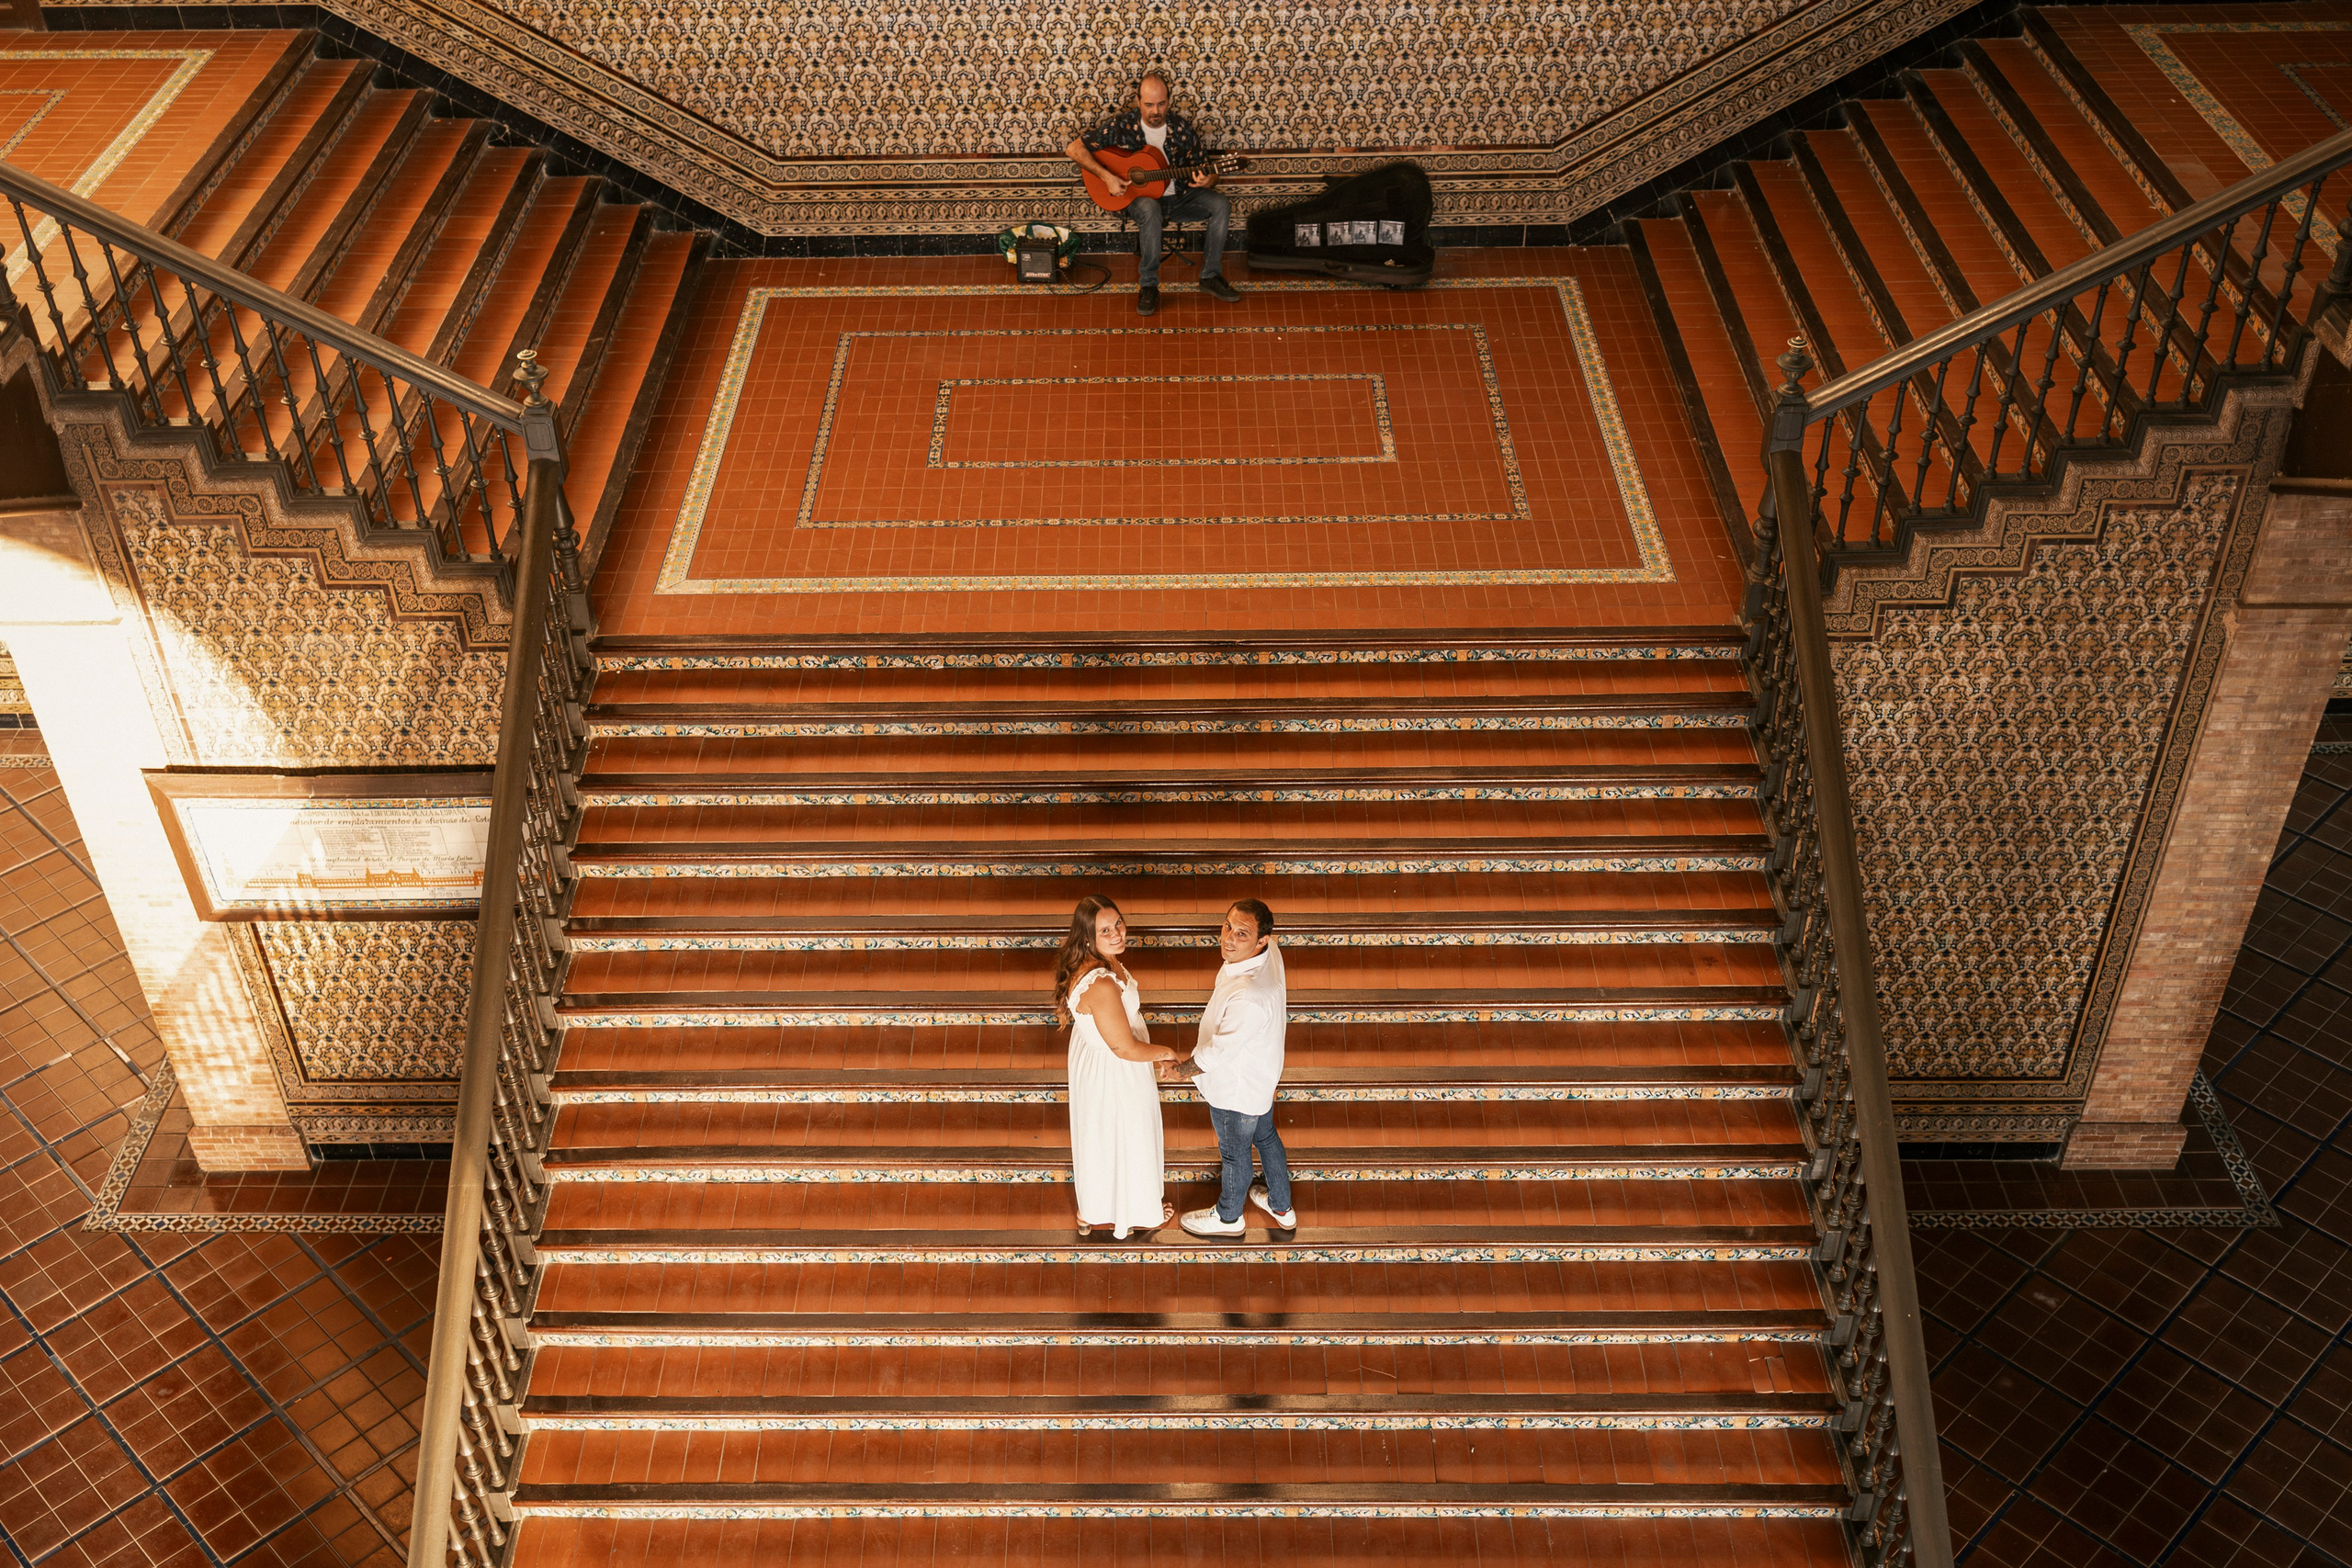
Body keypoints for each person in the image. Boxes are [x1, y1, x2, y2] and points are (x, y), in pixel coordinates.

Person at [1056, 895, 1189, 1238]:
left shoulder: (1100, 959)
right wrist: (1166, 1052)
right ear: (1088, 937)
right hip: (1115, 1068)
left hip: (1100, 1057)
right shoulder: (1100, 982)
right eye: (1105, 930)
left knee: (1104, 1137)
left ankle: (1093, 1209)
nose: (1117, 933)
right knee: (1128, 1136)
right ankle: (1135, 1210)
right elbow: (1124, 1047)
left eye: (1118, 923)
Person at [1167, 898, 1297, 1235]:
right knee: (1266, 1136)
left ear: (1261, 940)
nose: (1228, 938)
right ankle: (1282, 1206)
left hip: (1236, 1091)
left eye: (1242, 934)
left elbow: (1216, 1054)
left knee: (1235, 1155)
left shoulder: (1250, 996)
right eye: (1228, 926)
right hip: (1260, 1076)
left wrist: (1178, 1071)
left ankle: (1228, 1217)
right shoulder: (1270, 952)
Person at [1066, 70, 1242, 317]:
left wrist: (1209, 178)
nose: (1156, 111)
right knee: (1150, 207)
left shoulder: (1181, 129)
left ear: (1169, 101)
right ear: (1138, 101)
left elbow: (1209, 171)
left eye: (1161, 104)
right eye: (1149, 105)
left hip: (1179, 198)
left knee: (1220, 204)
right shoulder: (1122, 126)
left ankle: (1210, 276)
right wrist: (1107, 177)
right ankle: (1148, 285)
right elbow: (1074, 149)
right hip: (1138, 200)